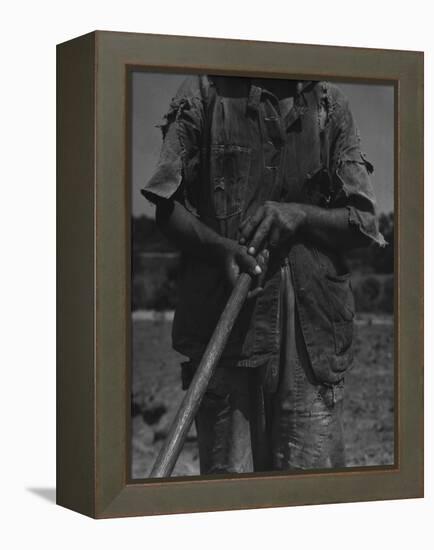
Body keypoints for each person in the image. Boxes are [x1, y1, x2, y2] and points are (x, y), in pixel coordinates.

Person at [142, 75, 385, 474]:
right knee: (229, 500)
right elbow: (167, 207)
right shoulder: (204, 94)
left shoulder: (329, 104)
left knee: (309, 501)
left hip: (312, 337)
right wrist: (220, 247)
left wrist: (300, 215)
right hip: (224, 330)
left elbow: (363, 221)